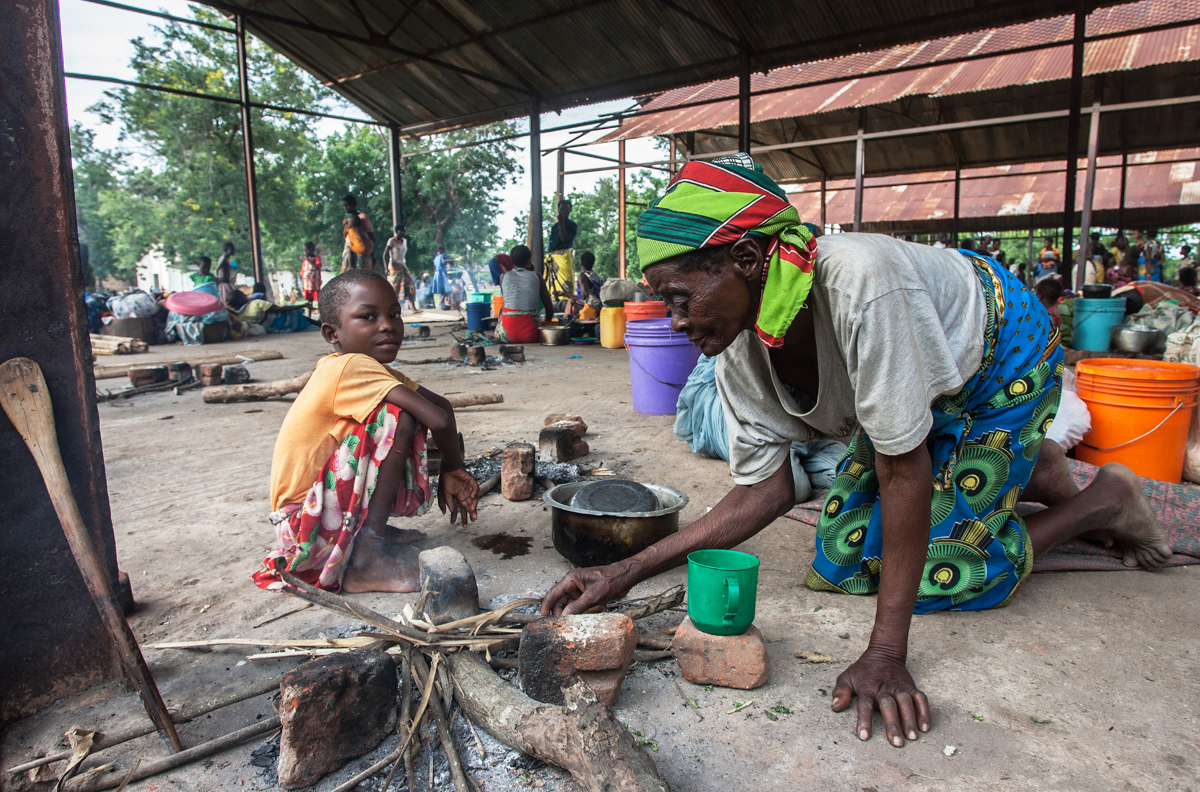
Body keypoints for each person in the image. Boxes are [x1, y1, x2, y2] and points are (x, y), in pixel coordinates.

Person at [541, 156, 1172, 749]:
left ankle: (1106, 500)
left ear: (747, 258)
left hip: (996, 353)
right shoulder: (736, 345)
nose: (675, 321)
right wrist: (622, 572)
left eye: (681, 298)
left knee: (939, 573)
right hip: (908, 390)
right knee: (843, 557)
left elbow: (904, 469)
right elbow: (768, 489)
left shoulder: (861, 284)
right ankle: (1034, 464)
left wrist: (885, 654)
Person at [254, 269, 479, 594]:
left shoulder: (371, 368)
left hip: (313, 520)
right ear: (332, 333)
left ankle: (361, 534)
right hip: (302, 527)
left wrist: (452, 466)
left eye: (393, 314)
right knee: (397, 418)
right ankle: (364, 561)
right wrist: (454, 468)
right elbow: (439, 420)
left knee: (399, 413)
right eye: (367, 317)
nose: (387, 325)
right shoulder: (348, 366)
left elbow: (443, 407)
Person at [499, 245, 554, 343]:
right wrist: (547, 323)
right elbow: (549, 309)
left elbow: (509, 300)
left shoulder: (503, 277)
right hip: (531, 335)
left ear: (512, 262)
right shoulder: (536, 277)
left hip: (506, 335)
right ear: (529, 261)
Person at [544, 199, 578, 302]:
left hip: (563, 258)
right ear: (558, 210)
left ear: (570, 210)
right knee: (550, 283)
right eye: (561, 209)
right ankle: (553, 301)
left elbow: (564, 238)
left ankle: (565, 302)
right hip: (553, 258)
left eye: (566, 209)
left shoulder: (571, 225)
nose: (564, 212)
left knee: (565, 281)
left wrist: (562, 223)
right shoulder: (555, 227)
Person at [384, 225, 421, 314]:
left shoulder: (405, 241)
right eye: (402, 231)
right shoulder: (391, 241)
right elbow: (385, 254)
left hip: (403, 266)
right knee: (394, 289)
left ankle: (413, 308)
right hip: (394, 267)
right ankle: (389, 310)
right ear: (397, 231)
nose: (404, 233)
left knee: (410, 285)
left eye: (405, 231)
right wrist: (386, 268)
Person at [340, 195, 376, 273]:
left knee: (362, 275)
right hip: (349, 249)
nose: (345, 208)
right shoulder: (347, 220)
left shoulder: (362, 217)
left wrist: (372, 253)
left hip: (361, 249)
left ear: (354, 205)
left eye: (348, 206)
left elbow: (371, 235)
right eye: (344, 206)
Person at [300, 242, 323, 319]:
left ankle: (321, 316)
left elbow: (316, 267)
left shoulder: (317, 258)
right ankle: (309, 317)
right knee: (309, 301)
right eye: (304, 250)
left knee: (318, 300)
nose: (305, 252)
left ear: (312, 249)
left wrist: (308, 260)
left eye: (306, 250)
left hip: (315, 284)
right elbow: (302, 273)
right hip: (307, 285)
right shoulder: (304, 262)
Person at [430, 245, 453, 309]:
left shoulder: (436, 258)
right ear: (442, 250)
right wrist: (453, 259)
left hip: (436, 274)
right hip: (441, 274)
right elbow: (443, 261)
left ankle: (441, 304)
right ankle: (440, 302)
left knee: (441, 290)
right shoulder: (442, 256)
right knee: (447, 290)